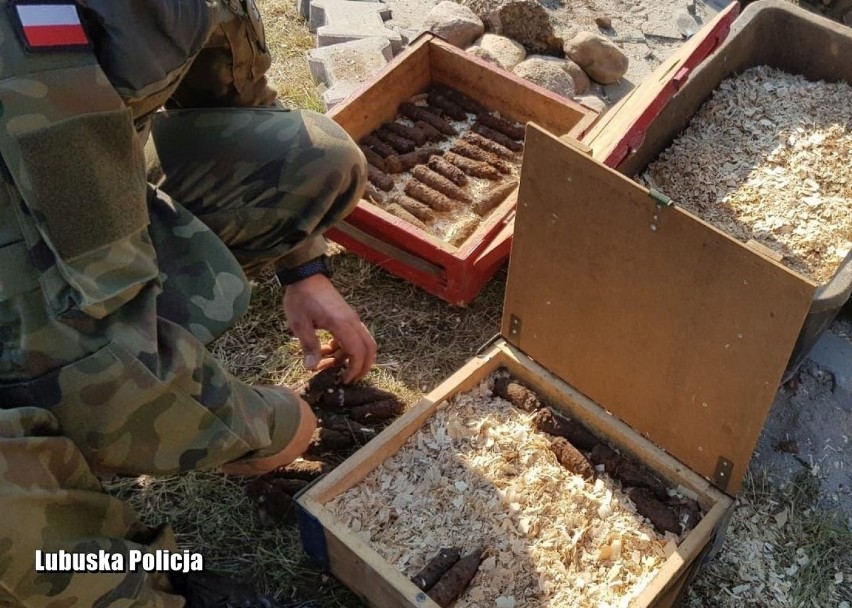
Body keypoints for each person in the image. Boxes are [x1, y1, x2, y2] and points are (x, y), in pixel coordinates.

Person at [0, 1, 374, 606]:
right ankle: (132, 581)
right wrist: (261, 430)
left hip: (70, 197)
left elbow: (237, 96)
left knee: (313, 159)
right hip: (21, 238)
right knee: (14, 528)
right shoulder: (19, 67)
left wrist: (304, 269)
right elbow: (92, 364)